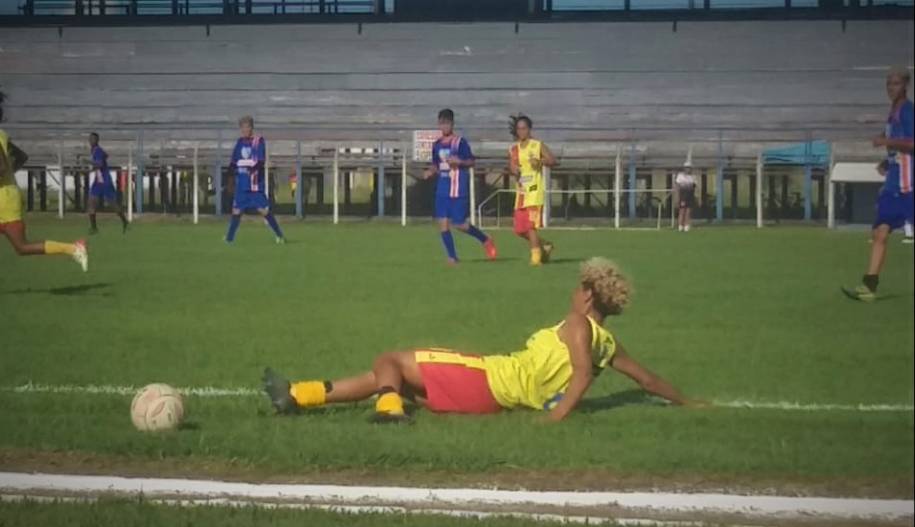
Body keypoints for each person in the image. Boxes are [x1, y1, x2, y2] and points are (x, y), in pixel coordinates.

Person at [263, 258, 698, 422]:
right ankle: (298, 397)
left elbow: (581, 373)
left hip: (490, 378)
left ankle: (389, 411)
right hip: (494, 394)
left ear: (587, 294)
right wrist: (692, 403)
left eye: (576, 287)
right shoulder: (609, 343)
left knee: (390, 358)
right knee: (391, 375)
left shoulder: (579, 324)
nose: (572, 292)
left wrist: (558, 415)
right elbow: (648, 380)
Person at [845, 67, 914, 302]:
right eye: (888, 84)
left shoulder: (907, 110)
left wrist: (886, 141)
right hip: (894, 182)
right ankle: (869, 286)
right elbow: (899, 147)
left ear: (905, 85)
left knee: (882, 231)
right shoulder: (892, 112)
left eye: (895, 84)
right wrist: (887, 159)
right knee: (880, 231)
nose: (890, 88)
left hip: (908, 183)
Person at [0, 90, 87, 271]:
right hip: (8, 194)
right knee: (21, 248)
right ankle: (72, 248)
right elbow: (20, 157)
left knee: (22, 247)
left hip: (4, 201)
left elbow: (1, 167)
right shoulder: (2, 135)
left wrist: (7, 177)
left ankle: (73, 248)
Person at [424, 109, 497, 264]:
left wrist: (460, 162)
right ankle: (452, 257)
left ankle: (485, 239)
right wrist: (430, 171)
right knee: (442, 223)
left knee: (459, 224)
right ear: (439, 124)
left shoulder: (460, 142)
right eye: (442, 123)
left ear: (452, 124)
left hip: (458, 188)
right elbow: (436, 165)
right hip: (442, 189)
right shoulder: (436, 145)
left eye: (447, 123)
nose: (445, 126)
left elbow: (471, 161)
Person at [224, 116, 285, 244]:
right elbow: (233, 162)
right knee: (236, 211)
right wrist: (229, 176)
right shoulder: (239, 142)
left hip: (255, 185)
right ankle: (229, 239)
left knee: (263, 210)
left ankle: (279, 235)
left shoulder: (258, 141)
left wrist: (248, 166)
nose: (245, 130)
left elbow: (260, 161)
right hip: (242, 184)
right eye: (242, 128)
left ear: (251, 127)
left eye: (247, 127)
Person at [508, 115, 558, 266]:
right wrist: (514, 170)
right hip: (521, 193)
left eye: (524, 128)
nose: (521, 131)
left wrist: (541, 161)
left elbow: (553, 160)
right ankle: (545, 245)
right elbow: (511, 166)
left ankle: (536, 259)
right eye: (519, 129)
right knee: (519, 230)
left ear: (529, 129)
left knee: (530, 227)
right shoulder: (513, 149)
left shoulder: (537, 145)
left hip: (534, 192)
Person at [87, 132, 129, 234]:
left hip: (105, 181)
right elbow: (104, 158)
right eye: (90, 139)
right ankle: (94, 228)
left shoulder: (98, 151)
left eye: (93, 139)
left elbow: (100, 164)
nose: (90, 141)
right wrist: (93, 169)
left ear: (97, 140)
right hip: (98, 181)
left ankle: (125, 222)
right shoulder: (94, 150)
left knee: (112, 204)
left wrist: (88, 162)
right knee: (91, 203)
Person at [674, 162, 696, 232]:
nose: (688, 169)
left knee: (688, 212)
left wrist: (696, 196)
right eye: (687, 168)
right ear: (684, 168)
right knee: (682, 211)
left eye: (689, 168)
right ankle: (680, 226)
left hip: (690, 196)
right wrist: (677, 197)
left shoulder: (693, 177)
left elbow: (694, 187)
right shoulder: (680, 176)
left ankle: (686, 226)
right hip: (682, 196)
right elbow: (677, 187)